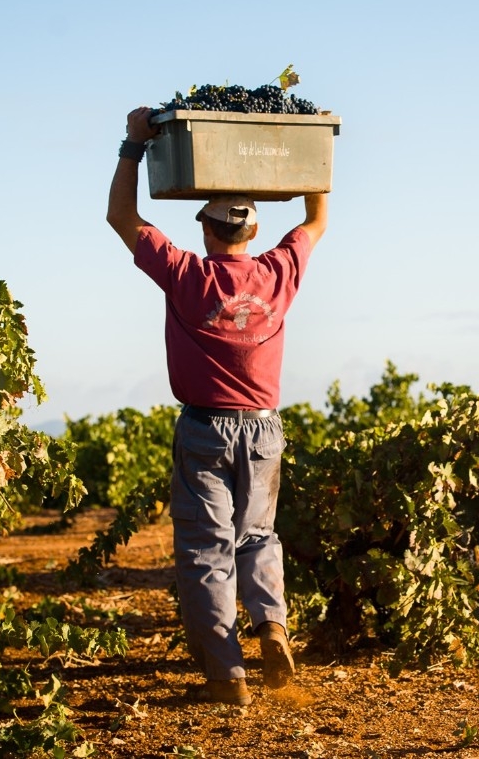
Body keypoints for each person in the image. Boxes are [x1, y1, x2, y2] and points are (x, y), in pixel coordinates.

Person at [106, 106, 328, 706]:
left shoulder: (184, 273)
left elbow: (120, 217)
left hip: (205, 430)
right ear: (253, 232)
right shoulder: (281, 271)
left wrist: (132, 145)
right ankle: (273, 627)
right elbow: (317, 215)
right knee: (258, 536)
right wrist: (303, 153)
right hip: (265, 431)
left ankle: (227, 674)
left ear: (205, 230)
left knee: (207, 547)